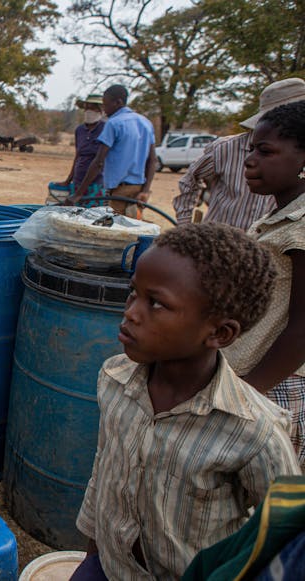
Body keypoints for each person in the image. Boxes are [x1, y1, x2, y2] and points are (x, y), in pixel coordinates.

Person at [73, 222, 301, 580]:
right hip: (109, 567)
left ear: (220, 333)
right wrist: (93, 553)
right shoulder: (115, 379)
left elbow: (283, 533)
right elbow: (105, 467)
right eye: (134, 293)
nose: (131, 312)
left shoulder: (255, 431)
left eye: (157, 303)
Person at [223, 100, 305, 468]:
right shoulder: (276, 215)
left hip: (275, 387)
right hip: (250, 379)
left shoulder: (301, 226)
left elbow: (303, 327)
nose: (250, 159)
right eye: (252, 148)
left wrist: (250, 391)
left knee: (264, 505)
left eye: (266, 151)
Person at [173, 78, 305, 230]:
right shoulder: (225, 147)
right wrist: (184, 225)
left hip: (268, 242)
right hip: (219, 240)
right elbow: (190, 179)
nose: (250, 160)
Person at [71, 85, 156, 217]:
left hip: (119, 191)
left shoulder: (114, 123)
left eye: (106, 105)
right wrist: (145, 190)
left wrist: (79, 194)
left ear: (118, 103)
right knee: (132, 228)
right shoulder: (145, 123)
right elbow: (152, 161)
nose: (104, 110)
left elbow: (99, 162)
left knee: (116, 230)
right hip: (138, 190)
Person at [51, 93, 106, 206]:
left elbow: (100, 160)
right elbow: (78, 156)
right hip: (78, 181)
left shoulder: (106, 129)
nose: (89, 111)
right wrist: (68, 180)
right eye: (87, 108)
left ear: (101, 110)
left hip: (97, 183)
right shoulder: (80, 130)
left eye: (93, 108)